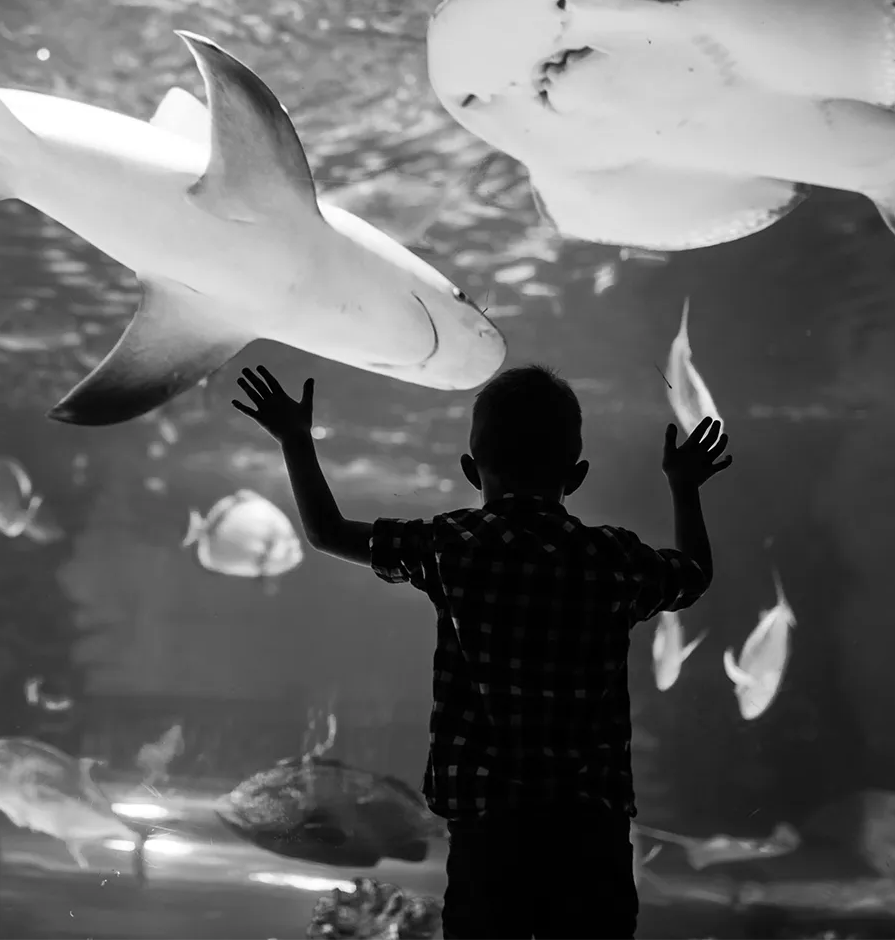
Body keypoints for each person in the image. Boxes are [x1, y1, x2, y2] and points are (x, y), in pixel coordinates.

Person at [232, 363, 732, 940]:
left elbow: (326, 531)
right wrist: (684, 487)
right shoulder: (610, 558)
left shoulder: (452, 546)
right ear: (577, 474)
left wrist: (295, 439)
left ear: (471, 469)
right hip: (590, 831)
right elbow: (693, 575)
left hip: (486, 829)